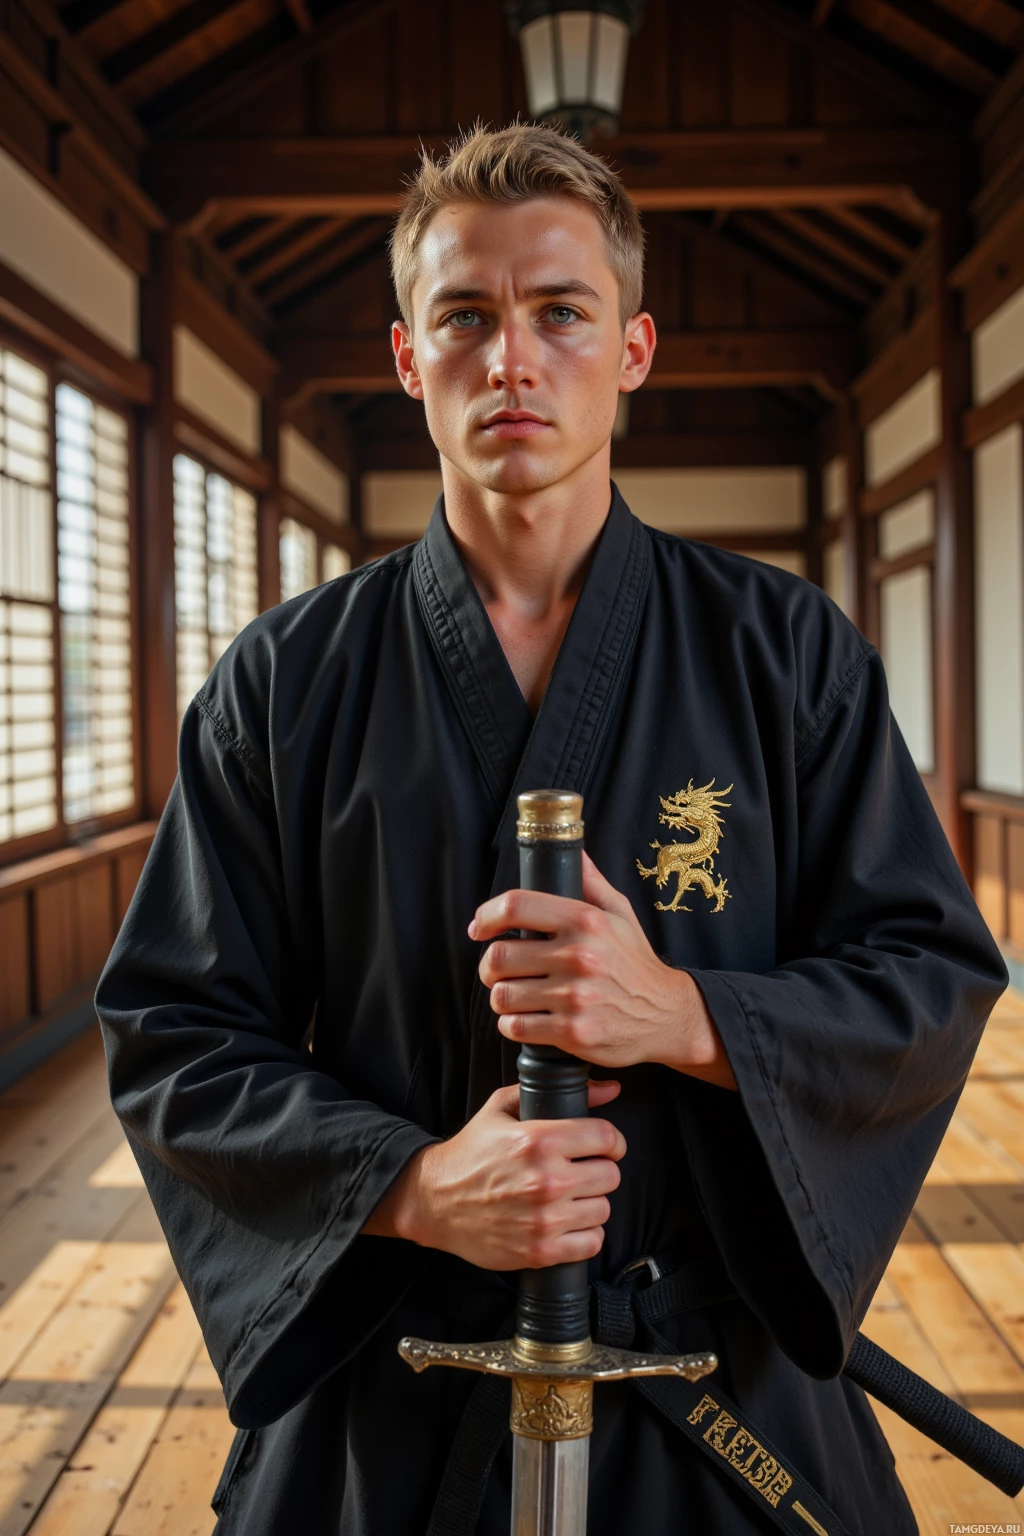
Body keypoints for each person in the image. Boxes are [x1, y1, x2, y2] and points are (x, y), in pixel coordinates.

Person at [96, 122, 1006, 1535]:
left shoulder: (782, 653)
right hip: (391, 1380)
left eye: (559, 313)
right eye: (464, 316)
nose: (511, 359)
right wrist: (407, 1185)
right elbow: (174, 1029)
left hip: (711, 1370)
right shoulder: (286, 683)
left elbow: (931, 973)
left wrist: (686, 1013)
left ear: (632, 349)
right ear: (409, 359)